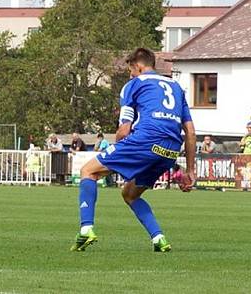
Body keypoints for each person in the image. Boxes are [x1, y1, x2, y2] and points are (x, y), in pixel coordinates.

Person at [71, 47, 196, 253]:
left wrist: (119, 148)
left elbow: (124, 129)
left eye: (131, 70)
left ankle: (86, 229)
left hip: (145, 140)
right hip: (170, 149)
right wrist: (190, 170)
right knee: (130, 194)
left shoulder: (133, 85)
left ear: (138, 66)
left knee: (88, 171)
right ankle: (159, 238)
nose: (130, 74)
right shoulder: (176, 87)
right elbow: (190, 132)